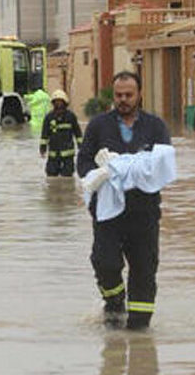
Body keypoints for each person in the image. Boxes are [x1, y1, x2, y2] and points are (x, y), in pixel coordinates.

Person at [77, 71, 172, 330]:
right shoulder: (98, 126)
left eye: (129, 95)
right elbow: (83, 160)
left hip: (144, 213)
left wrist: (138, 169)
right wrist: (98, 174)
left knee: (144, 269)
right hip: (108, 213)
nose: (123, 100)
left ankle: (139, 332)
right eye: (118, 95)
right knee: (104, 261)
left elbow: (165, 164)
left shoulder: (155, 127)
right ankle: (115, 301)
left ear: (139, 95)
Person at [39, 89, 83, 176]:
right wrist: (42, 148)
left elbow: (78, 133)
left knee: (67, 177)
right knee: (51, 176)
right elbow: (44, 135)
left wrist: (81, 147)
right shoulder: (49, 117)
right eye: (56, 101)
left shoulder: (71, 117)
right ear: (53, 103)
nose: (58, 104)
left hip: (68, 155)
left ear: (65, 102)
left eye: (60, 101)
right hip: (53, 155)